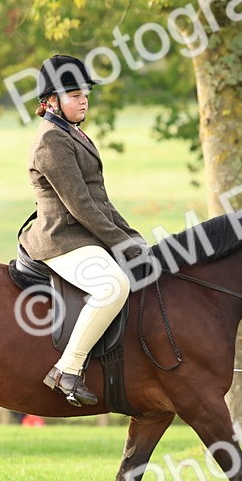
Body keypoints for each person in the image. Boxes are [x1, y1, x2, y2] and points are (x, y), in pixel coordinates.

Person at [20, 54, 147, 407]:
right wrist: (122, 243)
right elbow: (81, 205)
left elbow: (100, 199)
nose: (83, 100)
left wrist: (133, 237)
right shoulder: (50, 141)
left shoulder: (72, 133)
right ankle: (67, 370)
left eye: (85, 94)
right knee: (112, 286)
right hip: (61, 238)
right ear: (50, 102)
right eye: (74, 95)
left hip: (83, 235)